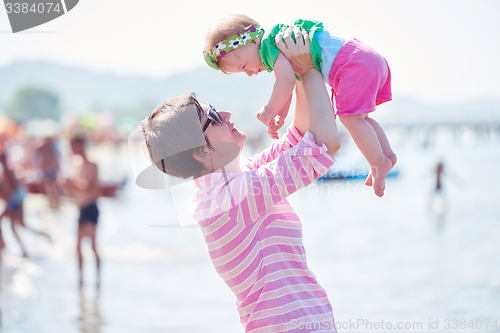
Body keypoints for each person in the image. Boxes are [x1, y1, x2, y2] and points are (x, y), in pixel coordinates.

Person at [142, 27, 340, 332]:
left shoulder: (231, 184)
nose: (228, 112)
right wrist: (310, 70)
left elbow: (301, 138)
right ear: (200, 151)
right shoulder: (228, 200)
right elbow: (323, 146)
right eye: (215, 118)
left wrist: (293, 66)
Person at [204, 14, 396, 197]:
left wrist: (270, 110)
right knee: (361, 119)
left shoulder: (271, 47)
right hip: (366, 57)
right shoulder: (277, 47)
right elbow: (288, 81)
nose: (250, 73)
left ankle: (378, 161)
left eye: (244, 67)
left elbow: (285, 81)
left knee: (350, 119)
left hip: (352, 65)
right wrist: (281, 113)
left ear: (253, 41)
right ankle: (386, 155)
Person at [63, 136, 101, 287]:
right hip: (81, 207)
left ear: (81, 146)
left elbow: (92, 189)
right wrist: (69, 187)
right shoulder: (77, 164)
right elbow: (76, 191)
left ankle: (97, 279)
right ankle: (81, 280)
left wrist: (71, 184)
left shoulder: (92, 164)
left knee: (92, 246)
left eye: (73, 147)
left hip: (91, 207)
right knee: (78, 247)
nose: (71, 150)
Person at [0, 153, 51, 257]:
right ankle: (21, 249)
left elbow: (12, 191)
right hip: (14, 202)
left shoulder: (7, 172)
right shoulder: (8, 172)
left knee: (20, 226)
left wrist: (14, 202)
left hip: (14, 202)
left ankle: (44, 236)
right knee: (16, 227)